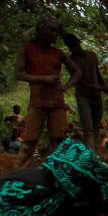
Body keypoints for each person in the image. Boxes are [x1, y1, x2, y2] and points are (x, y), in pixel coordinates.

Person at [15, 21, 79, 162]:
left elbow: (77, 72)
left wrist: (66, 86)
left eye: (56, 32)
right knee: (30, 140)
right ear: (41, 32)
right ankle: (17, 174)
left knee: (59, 140)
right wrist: (44, 79)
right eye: (52, 31)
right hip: (37, 101)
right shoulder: (28, 49)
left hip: (57, 101)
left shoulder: (58, 53)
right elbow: (18, 74)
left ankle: (59, 175)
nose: (55, 35)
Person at [62, 33, 108, 152]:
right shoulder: (71, 61)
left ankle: (93, 153)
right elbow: (81, 81)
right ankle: (90, 154)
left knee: (95, 128)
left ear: (78, 42)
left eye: (75, 44)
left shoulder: (92, 55)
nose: (74, 47)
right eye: (71, 46)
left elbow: (98, 75)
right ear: (69, 47)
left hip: (96, 96)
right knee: (88, 128)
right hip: (83, 96)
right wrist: (104, 89)